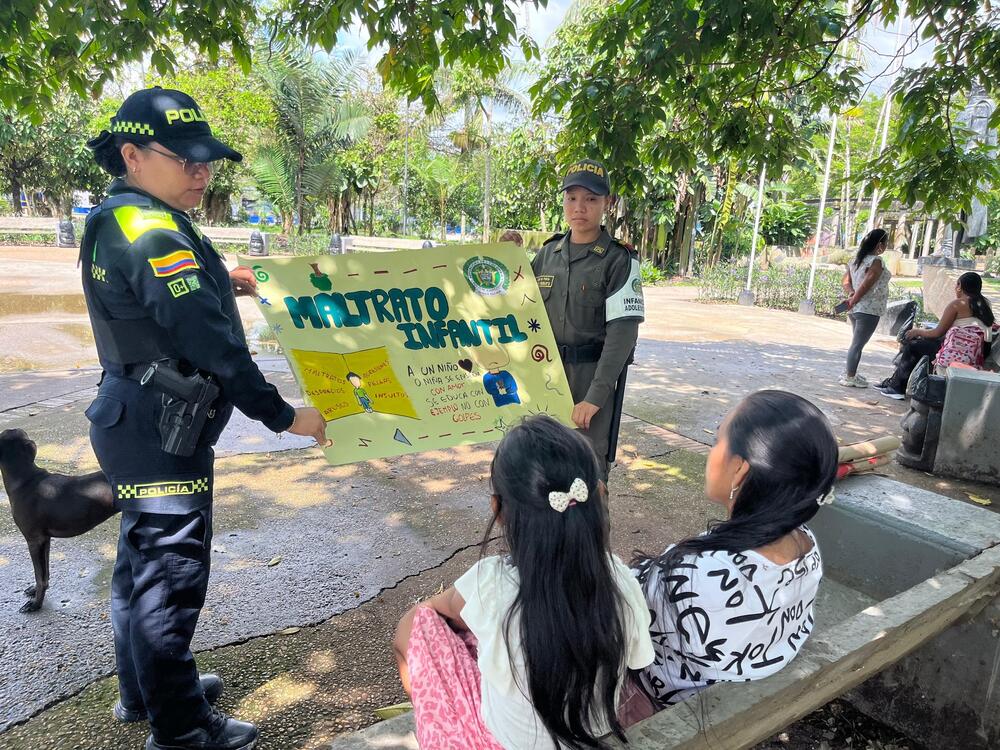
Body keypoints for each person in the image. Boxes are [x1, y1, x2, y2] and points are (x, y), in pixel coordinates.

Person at [81, 87, 329, 750]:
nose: (201, 174)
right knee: (170, 580)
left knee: (142, 566)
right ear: (132, 154)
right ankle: (183, 728)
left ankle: (148, 689)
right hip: (161, 430)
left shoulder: (129, 215)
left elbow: (173, 293)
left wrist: (231, 278)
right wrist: (285, 416)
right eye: (185, 160)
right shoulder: (149, 227)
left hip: (132, 416)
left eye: (206, 162)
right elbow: (210, 344)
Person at [392, 415, 654, 749]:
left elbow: (426, 615)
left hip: (502, 742)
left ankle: (439, 724)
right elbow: (636, 661)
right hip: (596, 733)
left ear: (498, 510)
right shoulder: (620, 578)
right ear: (598, 494)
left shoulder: (489, 583)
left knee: (416, 625)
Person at [625, 391, 836, 715]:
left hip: (670, 711)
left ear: (739, 470)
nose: (711, 451)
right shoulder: (804, 544)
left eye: (717, 439)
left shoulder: (695, 577)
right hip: (739, 701)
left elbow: (619, 613)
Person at [531, 160, 644, 479]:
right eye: (572, 198)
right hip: (546, 377)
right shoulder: (546, 254)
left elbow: (622, 336)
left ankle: (588, 531)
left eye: (591, 199)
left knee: (587, 480)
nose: (579, 207)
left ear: (607, 203)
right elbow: (520, 310)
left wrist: (594, 398)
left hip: (589, 382)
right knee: (542, 473)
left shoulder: (618, 260)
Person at [875, 272, 997, 398]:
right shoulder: (985, 304)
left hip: (954, 356)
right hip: (974, 356)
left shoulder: (957, 304)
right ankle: (893, 382)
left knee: (913, 345)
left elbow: (937, 333)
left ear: (959, 286)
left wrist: (916, 331)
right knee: (920, 344)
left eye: (956, 285)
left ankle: (896, 388)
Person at [840, 228, 891, 388]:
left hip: (855, 309)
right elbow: (868, 283)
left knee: (857, 343)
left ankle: (852, 373)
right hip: (869, 309)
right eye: (886, 243)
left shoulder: (856, 259)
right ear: (880, 245)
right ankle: (849, 376)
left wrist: (851, 296)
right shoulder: (876, 261)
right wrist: (855, 298)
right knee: (857, 344)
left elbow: (846, 281)